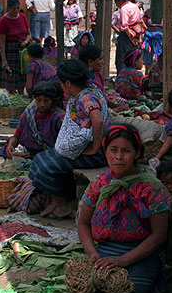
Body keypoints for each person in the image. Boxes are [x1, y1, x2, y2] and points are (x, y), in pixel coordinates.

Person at [77, 124, 172, 293]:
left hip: (140, 255)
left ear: (137, 153)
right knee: (81, 289)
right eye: (113, 150)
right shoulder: (100, 183)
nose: (119, 157)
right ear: (105, 151)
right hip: (102, 253)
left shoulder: (151, 188)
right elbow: (83, 223)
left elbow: (159, 236)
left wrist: (122, 260)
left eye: (126, 151)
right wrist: (92, 253)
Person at [29, 59, 111, 219]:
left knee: (46, 164)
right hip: (83, 148)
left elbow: (98, 120)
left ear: (68, 83)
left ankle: (62, 205)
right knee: (39, 160)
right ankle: (56, 199)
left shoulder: (85, 98)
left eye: (61, 83)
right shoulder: (87, 91)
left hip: (97, 154)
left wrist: (95, 148)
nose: (60, 86)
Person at [4, 81, 64, 159]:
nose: (42, 104)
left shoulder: (58, 117)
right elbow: (16, 137)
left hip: (48, 154)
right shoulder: (28, 114)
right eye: (39, 100)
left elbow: (63, 146)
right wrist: (11, 145)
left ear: (52, 101)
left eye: (46, 101)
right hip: (26, 151)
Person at [79, 44, 128, 112]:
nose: (103, 62)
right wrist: (117, 109)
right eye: (100, 59)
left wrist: (115, 105)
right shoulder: (83, 82)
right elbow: (96, 115)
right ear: (90, 62)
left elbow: (103, 96)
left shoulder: (98, 75)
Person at [0, 0, 30, 94]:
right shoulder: (3, 21)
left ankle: (21, 97)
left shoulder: (23, 17)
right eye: (13, 8)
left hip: (22, 50)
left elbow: (28, 34)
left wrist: (26, 41)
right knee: (10, 80)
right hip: (10, 51)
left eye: (17, 8)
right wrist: (4, 59)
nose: (16, 10)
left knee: (22, 78)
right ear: (8, 8)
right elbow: (2, 42)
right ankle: (12, 100)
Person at [114, 0, 145, 73]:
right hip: (136, 34)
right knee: (133, 58)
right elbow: (139, 22)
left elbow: (125, 26)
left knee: (122, 60)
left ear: (120, 1)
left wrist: (132, 39)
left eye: (116, 1)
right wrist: (138, 38)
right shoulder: (135, 6)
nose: (115, 3)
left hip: (127, 36)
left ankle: (124, 77)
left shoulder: (124, 9)